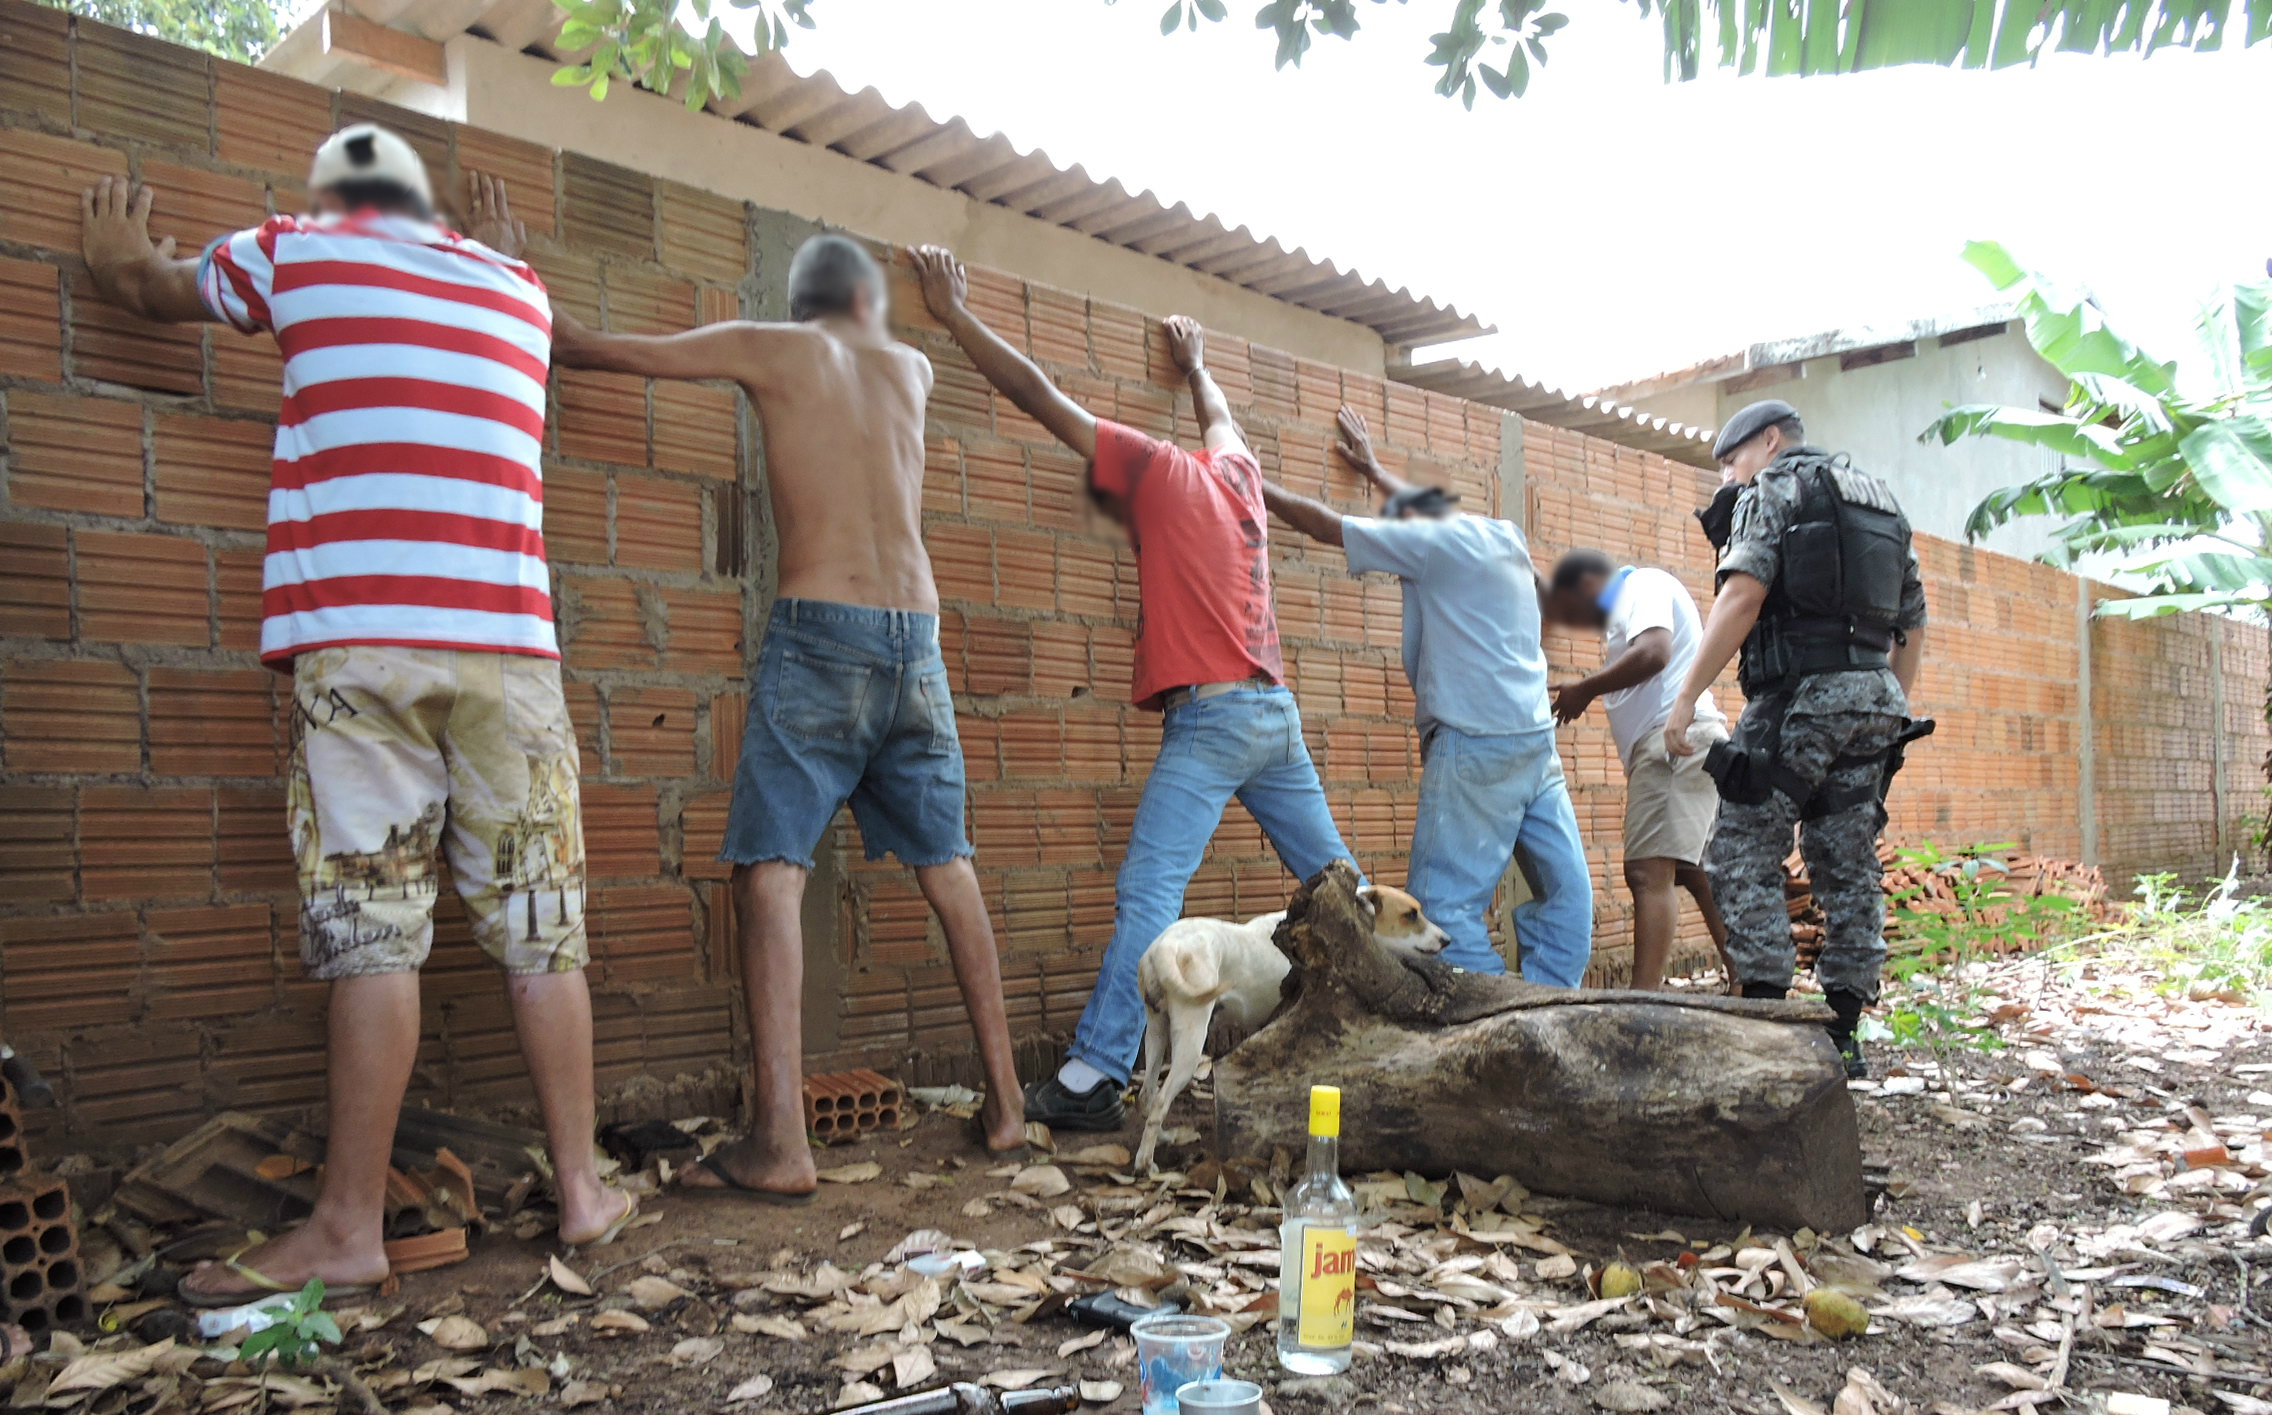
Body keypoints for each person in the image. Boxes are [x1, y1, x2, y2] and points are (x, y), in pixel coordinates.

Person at [79, 129, 632, 1305]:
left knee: (374, 928)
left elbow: (147, 289)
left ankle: (346, 1226)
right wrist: (500, 254)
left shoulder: (291, 252)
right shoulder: (518, 288)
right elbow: (490, 313)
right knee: (541, 919)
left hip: (364, 643)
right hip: (512, 651)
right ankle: (584, 1189)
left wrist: (115, 255)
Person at [538, 216, 1030, 1183]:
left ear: (801, 304)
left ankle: (781, 1142)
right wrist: (953, 309)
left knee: (770, 865)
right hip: (916, 643)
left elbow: (622, 352)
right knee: (949, 862)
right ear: (865, 301)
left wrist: (539, 317)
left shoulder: (775, 345)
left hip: (822, 632)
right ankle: (1009, 1106)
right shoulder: (911, 372)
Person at [909, 246, 1355, 1134]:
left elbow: (1040, 396)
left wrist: (954, 317)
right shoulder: (1240, 480)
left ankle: (1092, 1075)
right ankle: (1389, 1011)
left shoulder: (1159, 472)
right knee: (1334, 884)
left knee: (1149, 897)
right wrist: (1195, 366)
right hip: (1275, 712)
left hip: (1214, 715)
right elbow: (1223, 415)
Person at [1261, 408, 1591, 982]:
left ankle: (1483, 1017)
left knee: (1441, 915)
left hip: (1476, 746)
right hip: (1536, 743)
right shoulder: (1504, 537)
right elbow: (1426, 514)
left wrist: (1250, 480)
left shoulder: (1431, 546)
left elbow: (1325, 525)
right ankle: (1548, 1010)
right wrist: (1375, 470)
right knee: (1569, 899)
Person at [1663, 400, 1929, 1075]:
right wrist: (1887, 708)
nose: (1728, 476)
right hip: (1874, 698)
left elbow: (1743, 597)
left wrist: (1687, 695)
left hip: (1798, 699)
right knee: (1847, 863)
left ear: (1771, 441)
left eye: (1732, 459)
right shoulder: (1883, 503)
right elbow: (1912, 623)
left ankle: (1768, 1021)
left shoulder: (1775, 489)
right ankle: (1842, 1034)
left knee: (1739, 851)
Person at [1542, 549, 1734, 990]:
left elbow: (1654, 652)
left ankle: (1642, 1001)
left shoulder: (1640, 585)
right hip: (1689, 741)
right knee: (1695, 871)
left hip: (1671, 742)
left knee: (1647, 871)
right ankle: (1749, 979)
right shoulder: (1636, 595)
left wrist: (1584, 689)